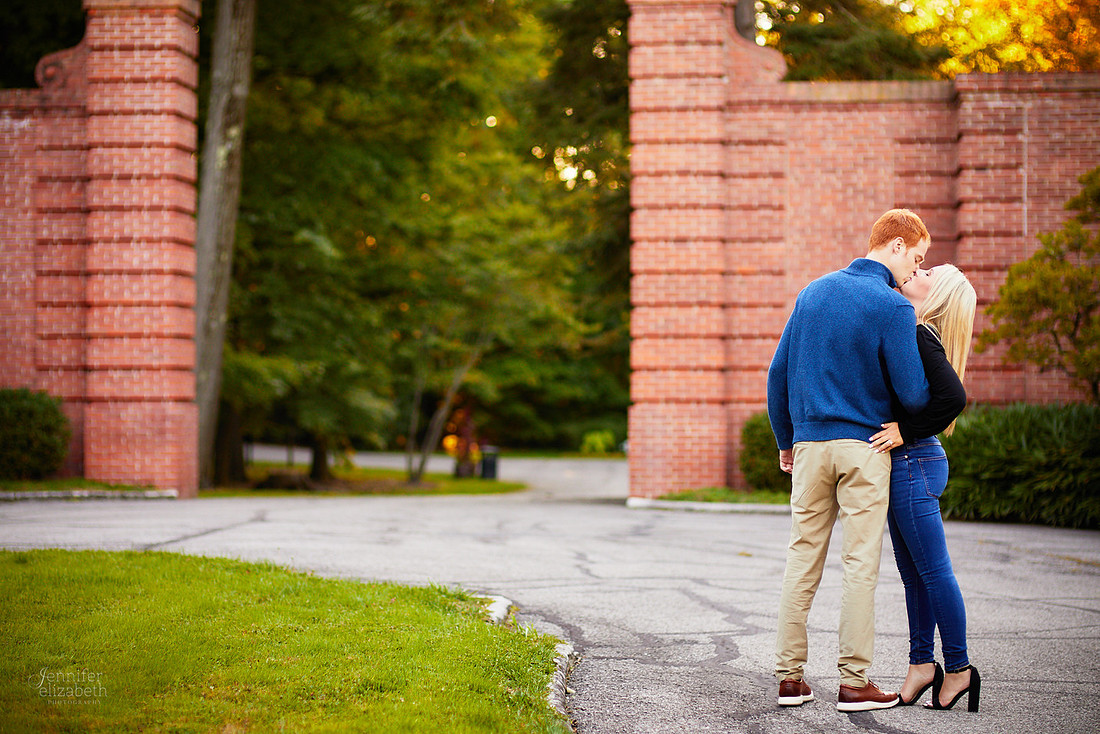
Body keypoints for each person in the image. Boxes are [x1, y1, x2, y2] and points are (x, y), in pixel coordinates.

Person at [767, 209, 932, 712]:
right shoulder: (892, 305)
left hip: (811, 447)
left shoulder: (812, 292)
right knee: (859, 566)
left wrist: (785, 440)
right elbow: (915, 394)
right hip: (866, 449)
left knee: (801, 561)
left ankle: (790, 680)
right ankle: (854, 683)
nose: (915, 271)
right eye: (917, 258)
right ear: (897, 245)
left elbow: (778, 373)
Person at [867, 264, 981, 712]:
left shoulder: (920, 333)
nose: (917, 270)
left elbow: (954, 398)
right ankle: (921, 665)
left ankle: (958, 668)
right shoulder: (913, 330)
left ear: (939, 294)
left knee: (932, 573)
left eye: (927, 270)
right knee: (914, 575)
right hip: (912, 464)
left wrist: (905, 431)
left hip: (915, 461)